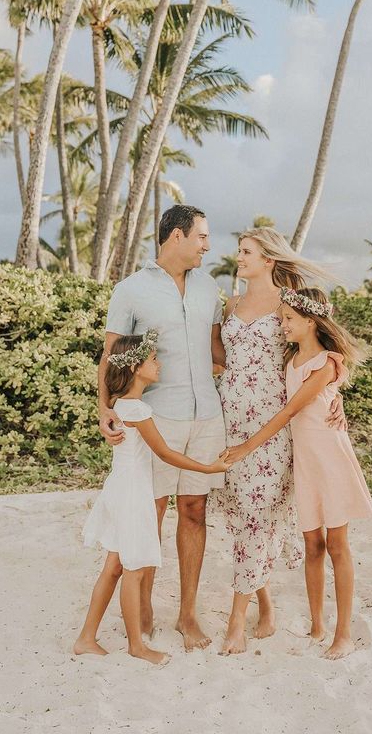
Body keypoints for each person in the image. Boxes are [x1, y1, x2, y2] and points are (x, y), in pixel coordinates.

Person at [98, 205, 226, 650]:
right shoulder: (130, 290)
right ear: (176, 236)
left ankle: (188, 614)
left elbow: (217, 349)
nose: (208, 245)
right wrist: (104, 408)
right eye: (203, 237)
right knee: (148, 517)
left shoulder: (211, 288)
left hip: (207, 414)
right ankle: (145, 607)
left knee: (195, 512)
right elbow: (112, 353)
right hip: (158, 417)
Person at [223, 287, 372, 661]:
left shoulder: (324, 364)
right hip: (304, 461)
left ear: (311, 321)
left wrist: (246, 447)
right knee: (312, 545)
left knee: (337, 544)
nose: (282, 324)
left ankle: (343, 634)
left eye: (289, 319)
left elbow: (290, 411)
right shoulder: (291, 358)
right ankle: (317, 625)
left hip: (328, 457)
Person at [213, 227, 344, 655]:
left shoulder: (289, 303)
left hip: (270, 428)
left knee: (255, 514)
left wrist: (334, 390)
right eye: (239, 251)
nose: (238, 257)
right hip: (229, 421)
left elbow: (319, 345)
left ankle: (237, 620)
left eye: (246, 251)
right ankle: (265, 605)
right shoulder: (230, 304)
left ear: (269, 258)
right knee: (242, 517)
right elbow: (218, 358)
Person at [76, 331, 231, 665]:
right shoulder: (137, 409)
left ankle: (86, 637)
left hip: (121, 488)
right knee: (132, 568)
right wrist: (208, 467)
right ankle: (136, 646)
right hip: (134, 494)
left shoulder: (121, 405)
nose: (159, 365)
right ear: (135, 367)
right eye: (152, 360)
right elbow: (165, 453)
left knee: (114, 566)